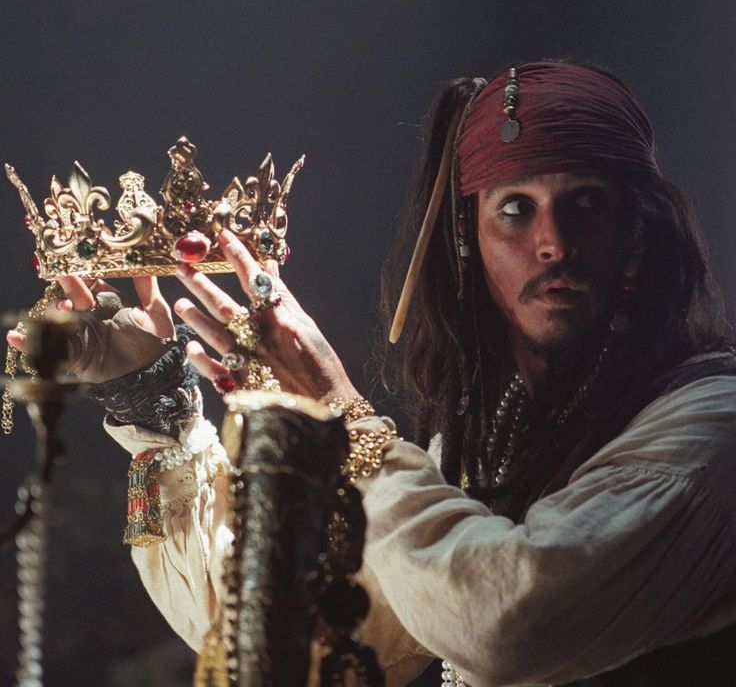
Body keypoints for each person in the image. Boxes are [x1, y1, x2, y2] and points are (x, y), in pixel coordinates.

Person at [9, 61, 736, 686]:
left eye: (585, 205)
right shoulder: (487, 438)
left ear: (636, 232)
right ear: (468, 245)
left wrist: (344, 413)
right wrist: (157, 411)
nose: (552, 242)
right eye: (516, 209)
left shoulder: (709, 425)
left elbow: (504, 619)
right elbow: (289, 644)